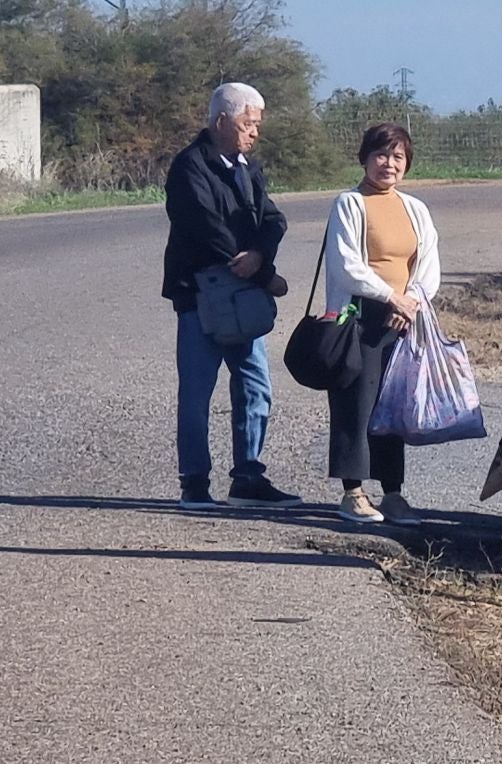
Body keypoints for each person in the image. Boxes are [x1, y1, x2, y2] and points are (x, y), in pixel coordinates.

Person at [162, 82, 300, 510]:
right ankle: (195, 484)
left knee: (256, 386)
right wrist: (255, 268)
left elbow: (273, 220)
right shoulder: (188, 168)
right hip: (201, 296)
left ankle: (248, 477)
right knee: (197, 392)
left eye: (257, 125)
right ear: (221, 121)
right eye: (247, 123)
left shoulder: (247, 168)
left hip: (245, 297)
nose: (254, 132)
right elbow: (207, 228)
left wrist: (259, 257)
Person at [320, 123, 442, 524]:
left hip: (403, 320)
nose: (388, 164)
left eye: (398, 157)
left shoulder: (415, 209)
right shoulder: (350, 204)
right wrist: (391, 297)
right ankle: (353, 492)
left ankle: (393, 493)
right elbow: (346, 266)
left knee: (392, 409)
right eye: (381, 155)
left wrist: (412, 303)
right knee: (356, 404)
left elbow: (428, 265)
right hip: (360, 317)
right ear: (365, 158)